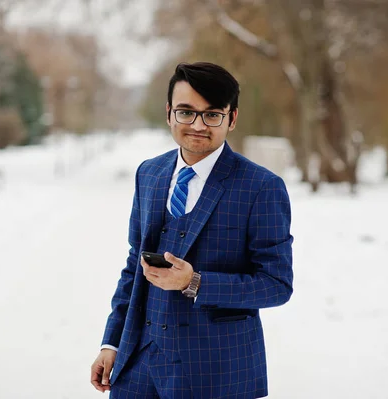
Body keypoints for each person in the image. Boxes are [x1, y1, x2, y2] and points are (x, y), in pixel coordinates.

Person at [91, 62, 294, 399]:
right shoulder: (150, 173)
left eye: (212, 114)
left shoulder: (262, 187)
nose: (198, 125)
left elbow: (277, 285)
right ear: (169, 113)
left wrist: (194, 282)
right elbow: (134, 266)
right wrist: (112, 342)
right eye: (186, 112)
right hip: (139, 366)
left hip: (216, 375)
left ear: (232, 119)